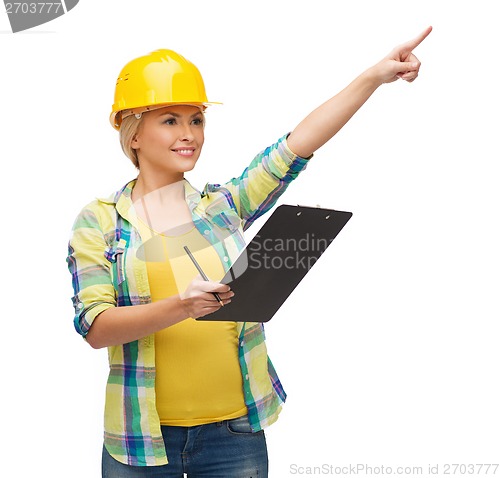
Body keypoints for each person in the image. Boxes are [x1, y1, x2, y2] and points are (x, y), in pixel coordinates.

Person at [67, 26, 432, 478]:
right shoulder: (100, 221)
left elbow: (296, 146)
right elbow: (96, 328)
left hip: (234, 436)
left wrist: (374, 77)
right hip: (142, 441)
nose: (190, 134)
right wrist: (182, 306)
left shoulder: (224, 207)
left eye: (196, 119)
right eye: (171, 120)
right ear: (133, 133)